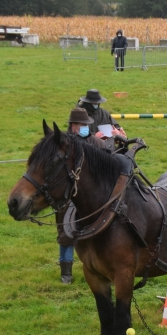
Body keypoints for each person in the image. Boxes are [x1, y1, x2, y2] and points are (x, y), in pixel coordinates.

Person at [57, 108, 96, 284]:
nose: (86, 128)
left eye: (87, 125)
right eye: (83, 125)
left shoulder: (95, 142)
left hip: (91, 197)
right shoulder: (62, 145)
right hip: (68, 196)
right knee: (66, 234)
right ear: (73, 126)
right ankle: (66, 273)